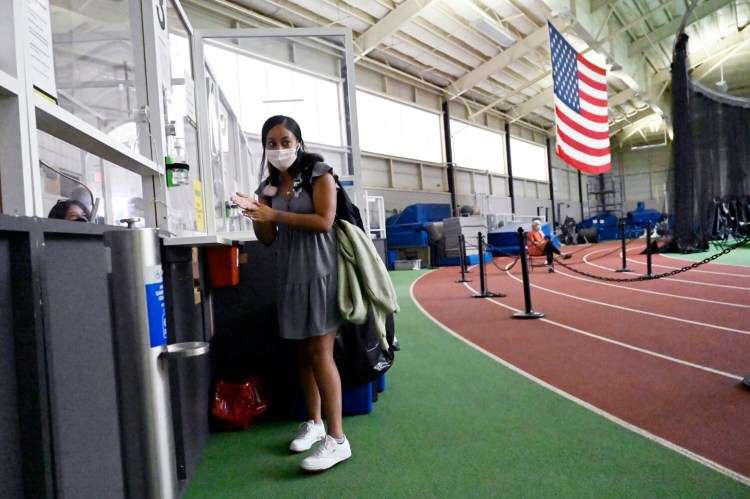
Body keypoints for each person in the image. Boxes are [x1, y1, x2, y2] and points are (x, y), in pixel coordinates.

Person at [233, 115, 351, 472]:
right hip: (290, 276)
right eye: (272, 142)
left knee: (320, 351)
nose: (279, 148)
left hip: (322, 273)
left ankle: (338, 439)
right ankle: (315, 424)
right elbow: (267, 240)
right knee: (303, 352)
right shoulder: (268, 187)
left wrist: (274, 215)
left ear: (298, 141)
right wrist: (256, 216)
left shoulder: (318, 173)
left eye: (285, 141)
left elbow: (323, 221)